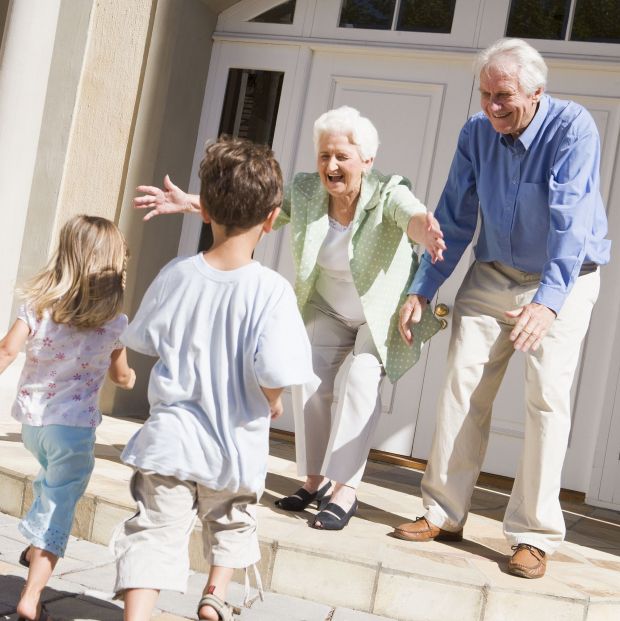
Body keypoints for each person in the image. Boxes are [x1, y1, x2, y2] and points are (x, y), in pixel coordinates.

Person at [134, 106, 446, 531]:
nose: (330, 166)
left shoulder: (389, 192)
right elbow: (253, 208)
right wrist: (193, 202)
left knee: (359, 380)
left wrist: (424, 231)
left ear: (367, 161)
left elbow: (410, 215)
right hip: (328, 306)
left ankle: (345, 488)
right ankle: (315, 480)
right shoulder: (305, 190)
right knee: (312, 381)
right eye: (323, 156)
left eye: (341, 157)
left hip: (378, 316)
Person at [394, 38, 610, 579]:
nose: (492, 106)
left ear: (537, 92)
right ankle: (443, 512)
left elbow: (570, 220)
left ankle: (534, 534)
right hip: (493, 273)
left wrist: (550, 303)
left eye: (504, 95)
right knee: (462, 387)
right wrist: (425, 287)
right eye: (485, 93)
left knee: (545, 399)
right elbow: (455, 214)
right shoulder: (475, 133)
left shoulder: (572, 127)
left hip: (566, 276)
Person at [112, 137, 316, 621]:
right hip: (234, 444)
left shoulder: (177, 274)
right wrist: (274, 398)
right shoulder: (272, 291)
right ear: (272, 218)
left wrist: (120, 368)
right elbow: (274, 370)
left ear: (205, 211)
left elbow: (143, 339)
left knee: (154, 532)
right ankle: (213, 596)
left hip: (171, 441)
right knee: (231, 521)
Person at [0, 215, 135, 621]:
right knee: (60, 506)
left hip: (33, 426)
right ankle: (31, 596)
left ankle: (31, 548)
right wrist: (130, 380)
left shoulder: (37, 306)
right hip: (74, 432)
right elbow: (121, 375)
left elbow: (7, 349)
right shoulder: (114, 322)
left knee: (48, 481)